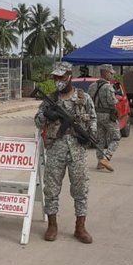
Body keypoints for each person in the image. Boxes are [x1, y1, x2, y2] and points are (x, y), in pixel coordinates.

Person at [35, 61, 97, 244]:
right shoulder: (50, 100)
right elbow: (37, 121)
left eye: (61, 77)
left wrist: (90, 136)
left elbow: (93, 119)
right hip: (56, 149)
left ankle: (80, 227)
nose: (58, 81)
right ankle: (52, 225)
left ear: (70, 76)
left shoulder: (83, 98)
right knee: (51, 189)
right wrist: (46, 115)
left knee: (81, 189)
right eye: (55, 77)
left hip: (78, 150)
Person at [88, 64, 119, 172]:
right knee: (116, 137)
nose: (111, 75)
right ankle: (106, 158)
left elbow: (89, 101)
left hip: (96, 115)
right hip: (107, 115)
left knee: (100, 139)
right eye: (110, 73)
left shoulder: (92, 86)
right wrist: (117, 99)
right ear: (105, 73)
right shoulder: (108, 87)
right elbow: (112, 102)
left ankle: (99, 161)